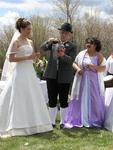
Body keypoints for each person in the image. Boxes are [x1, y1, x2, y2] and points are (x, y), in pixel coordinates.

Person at [0, 18, 53, 137]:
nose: (30, 31)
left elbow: (32, 58)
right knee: (19, 96)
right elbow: (11, 59)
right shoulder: (16, 42)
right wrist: (27, 58)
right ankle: (17, 126)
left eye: (30, 29)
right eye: (28, 29)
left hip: (30, 72)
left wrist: (35, 57)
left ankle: (36, 124)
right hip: (19, 72)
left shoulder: (30, 42)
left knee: (32, 96)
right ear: (21, 29)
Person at [41, 23, 77, 129]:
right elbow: (42, 48)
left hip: (64, 77)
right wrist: (48, 41)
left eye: (65, 32)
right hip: (51, 75)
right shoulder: (54, 43)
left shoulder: (72, 46)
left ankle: (62, 122)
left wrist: (63, 55)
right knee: (52, 99)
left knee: (63, 99)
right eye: (61, 32)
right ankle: (51, 122)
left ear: (70, 34)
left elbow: (71, 60)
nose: (63, 34)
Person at [65, 37, 106, 128]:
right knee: (80, 98)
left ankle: (94, 119)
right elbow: (74, 63)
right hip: (81, 80)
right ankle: (79, 118)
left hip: (93, 82)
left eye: (90, 43)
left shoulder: (98, 55)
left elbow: (103, 68)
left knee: (94, 99)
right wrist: (78, 69)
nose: (88, 44)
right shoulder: (81, 53)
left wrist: (93, 66)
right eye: (87, 42)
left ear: (95, 45)